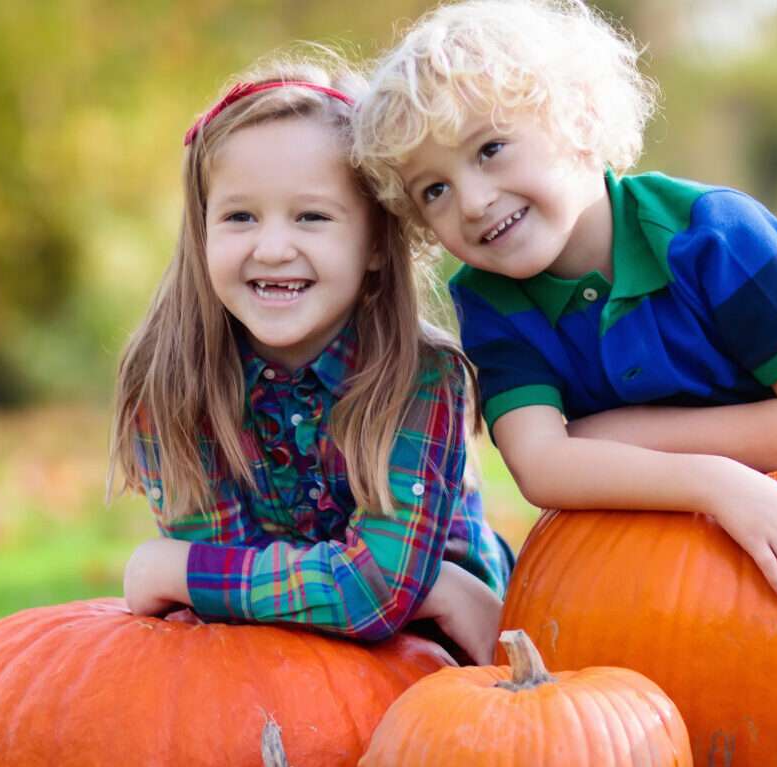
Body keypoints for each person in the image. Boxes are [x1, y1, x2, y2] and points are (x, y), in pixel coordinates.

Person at [353, 0, 777, 684]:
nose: (470, 201)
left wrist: (625, 431)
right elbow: (541, 467)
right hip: (664, 604)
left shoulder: (714, 237)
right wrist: (714, 482)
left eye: (490, 149)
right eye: (433, 189)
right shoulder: (492, 298)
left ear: (580, 121)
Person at [108, 52, 513, 665]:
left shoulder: (421, 378)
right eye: (240, 216)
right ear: (202, 233)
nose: (272, 248)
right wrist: (403, 585)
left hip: (442, 661)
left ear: (376, 242)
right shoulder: (169, 381)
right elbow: (226, 607)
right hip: (260, 667)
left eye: (312, 217)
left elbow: (374, 595)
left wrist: (185, 572)